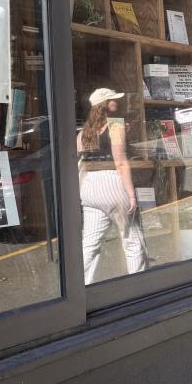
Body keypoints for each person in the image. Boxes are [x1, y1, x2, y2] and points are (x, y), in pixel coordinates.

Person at [78, 88, 148, 284]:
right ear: (104, 105)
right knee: (132, 239)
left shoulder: (85, 131)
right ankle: (139, 286)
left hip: (88, 186)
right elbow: (120, 162)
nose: (117, 102)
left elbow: (79, 158)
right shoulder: (115, 126)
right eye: (112, 100)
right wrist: (131, 195)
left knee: (90, 244)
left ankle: (82, 286)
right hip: (112, 184)